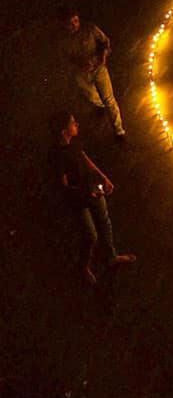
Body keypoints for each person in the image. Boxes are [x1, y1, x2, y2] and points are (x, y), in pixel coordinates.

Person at [49, 112, 136, 285]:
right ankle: (84, 266)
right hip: (79, 200)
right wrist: (86, 194)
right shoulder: (58, 156)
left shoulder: (74, 142)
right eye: (73, 123)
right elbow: (64, 186)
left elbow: (84, 159)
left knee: (104, 221)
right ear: (63, 130)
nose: (77, 125)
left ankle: (111, 256)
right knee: (91, 236)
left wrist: (103, 177)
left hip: (93, 189)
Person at [57, 9, 126, 141]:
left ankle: (119, 130)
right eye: (69, 23)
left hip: (99, 68)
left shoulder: (90, 29)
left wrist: (103, 56)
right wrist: (79, 66)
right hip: (81, 75)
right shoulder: (63, 41)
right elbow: (64, 61)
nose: (74, 25)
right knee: (91, 97)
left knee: (109, 100)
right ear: (64, 25)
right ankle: (100, 105)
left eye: (76, 21)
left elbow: (105, 42)